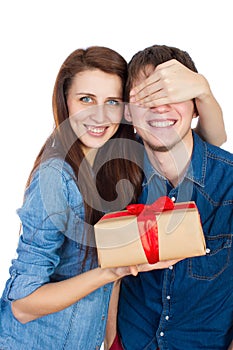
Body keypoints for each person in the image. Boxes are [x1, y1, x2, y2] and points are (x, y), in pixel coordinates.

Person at [0, 45, 227, 350]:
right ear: (65, 102)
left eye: (111, 101)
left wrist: (204, 91)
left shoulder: (118, 162)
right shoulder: (57, 177)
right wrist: (113, 271)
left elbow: (210, 144)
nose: (99, 114)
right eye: (85, 99)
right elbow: (22, 305)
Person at [115, 44, 233, 350]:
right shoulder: (114, 178)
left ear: (196, 108)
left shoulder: (229, 184)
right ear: (128, 112)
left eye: (172, 95)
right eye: (147, 97)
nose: (160, 108)